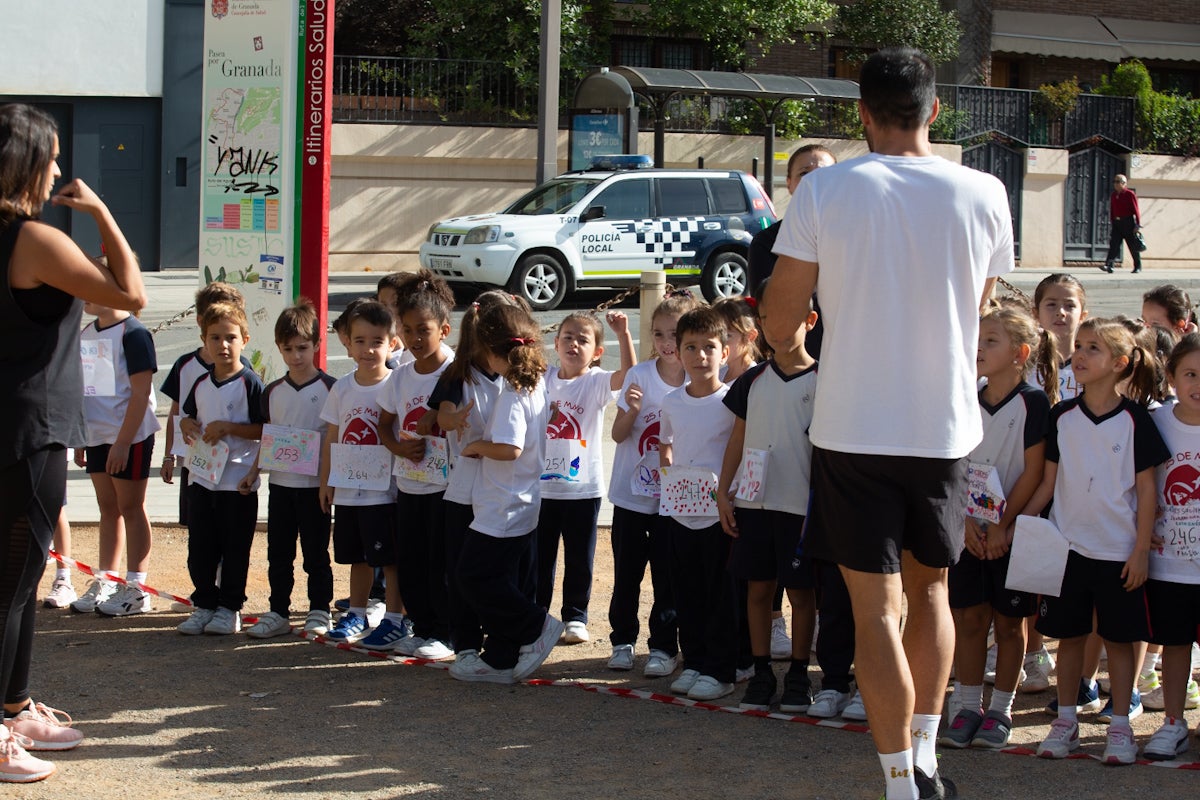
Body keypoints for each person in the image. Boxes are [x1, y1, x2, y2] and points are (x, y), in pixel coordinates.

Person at [766, 48, 1013, 800]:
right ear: (935, 110)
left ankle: (900, 780)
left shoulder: (826, 188)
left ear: (862, 115)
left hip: (850, 425)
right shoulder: (986, 191)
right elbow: (981, 304)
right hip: (941, 425)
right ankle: (928, 753)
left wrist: (791, 345)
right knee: (932, 593)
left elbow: (782, 309)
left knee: (876, 610)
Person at [0, 101, 145, 780]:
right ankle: (1, 728)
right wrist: (99, 212)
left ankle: (16, 704)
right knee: (12, 583)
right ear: (27, 161)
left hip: (17, 425)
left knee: (21, 581)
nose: (60, 166)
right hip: (29, 431)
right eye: (52, 155)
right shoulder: (33, 238)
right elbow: (130, 293)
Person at [1022, 318, 1168, 764]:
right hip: (1068, 551)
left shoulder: (1136, 420)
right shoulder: (1061, 415)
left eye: (1093, 349)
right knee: (1069, 639)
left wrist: (1140, 550)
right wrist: (1021, 524)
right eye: (1079, 347)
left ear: (1120, 364)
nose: (1079, 355)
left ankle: (1120, 726)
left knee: (1120, 643)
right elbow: (1048, 483)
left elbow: (1147, 492)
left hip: (1120, 555)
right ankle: (1065, 720)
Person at [939, 305, 1048, 750]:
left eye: (991, 341)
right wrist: (966, 522)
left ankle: (1000, 710)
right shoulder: (965, 396)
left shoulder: (1034, 403)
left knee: (1009, 625)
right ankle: (966, 706)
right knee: (968, 619)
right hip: (968, 530)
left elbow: (1034, 472)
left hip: (1011, 533)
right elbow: (955, 464)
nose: (979, 349)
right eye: (977, 339)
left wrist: (1005, 527)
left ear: (1020, 353)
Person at [716, 280, 818, 713]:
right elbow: (737, 439)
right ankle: (761, 671)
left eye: (787, 316)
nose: (775, 327)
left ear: (810, 321)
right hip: (754, 504)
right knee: (759, 590)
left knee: (801, 594)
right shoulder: (753, 380)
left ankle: (798, 673)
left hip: (800, 509)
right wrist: (725, 491)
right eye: (766, 319)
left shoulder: (825, 380)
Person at [450, 304, 563, 683]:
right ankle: (500, 655)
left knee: (474, 576)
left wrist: (477, 445)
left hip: (504, 504)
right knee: (497, 577)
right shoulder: (533, 383)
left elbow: (510, 448)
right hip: (516, 500)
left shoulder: (515, 392)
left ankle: (536, 627)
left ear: (495, 351)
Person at [605, 291, 700, 676]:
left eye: (675, 334)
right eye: (659, 334)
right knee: (627, 572)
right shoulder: (639, 375)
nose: (666, 343)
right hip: (631, 497)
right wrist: (632, 410)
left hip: (672, 502)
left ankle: (663, 646)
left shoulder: (699, 380)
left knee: (667, 574)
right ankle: (622, 641)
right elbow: (617, 434)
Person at [432, 290, 527, 664]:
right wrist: (452, 420)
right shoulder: (459, 375)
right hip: (466, 489)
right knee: (461, 571)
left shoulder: (519, 375)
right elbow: (442, 415)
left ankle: (507, 639)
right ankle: (467, 643)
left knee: (501, 570)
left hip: (505, 490)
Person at [537, 310, 634, 645]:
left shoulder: (594, 382)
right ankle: (537, 616)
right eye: (568, 337)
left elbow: (629, 376)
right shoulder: (544, 378)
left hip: (582, 489)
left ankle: (575, 616)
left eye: (583, 340)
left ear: (596, 352)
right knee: (539, 557)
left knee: (580, 557)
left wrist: (622, 333)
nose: (574, 344)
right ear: (555, 343)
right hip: (542, 488)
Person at [657, 306, 739, 701]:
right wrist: (669, 480)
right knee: (685, 590)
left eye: (710, 347)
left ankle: (721, 669)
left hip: (719, 517)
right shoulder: (671, 402)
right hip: (680, 514)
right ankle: (695, 662)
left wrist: (728, 495)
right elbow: (666, 444)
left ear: (725, 352)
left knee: (719, 593)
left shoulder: (732, 400)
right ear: (677, 350)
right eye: (691, 346)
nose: (700, 355)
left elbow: (737, 452)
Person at [241, 300, 336, 639]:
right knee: (278, 552)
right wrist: (254, 472)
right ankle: (278, 610)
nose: (296, 355)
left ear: (316, 345)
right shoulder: (272, 392)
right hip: (280, 485)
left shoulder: (330, 389)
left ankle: (319, 610)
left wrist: (329, 483)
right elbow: (268, 436)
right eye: (288, 348)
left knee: (315, 553)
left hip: (315, 488)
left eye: (303, 348)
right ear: (279, 348)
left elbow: (333, 440)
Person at [378, 275, 457, 659]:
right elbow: (384, 424)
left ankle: (446, 632)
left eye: (423, 330)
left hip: (448, 489)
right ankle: (421, 626)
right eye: (406, 330)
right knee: (411, 560)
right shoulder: (401, 376)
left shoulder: (458, 373)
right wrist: (399, 448)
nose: (414, 338)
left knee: (440, 561)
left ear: (444, 329)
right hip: (409, 485)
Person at [176, 303, 265, 635]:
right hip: (201, 478)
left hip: (237, 482)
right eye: (215, 338)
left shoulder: (251, 383)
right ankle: (204, 605)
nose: (223, 345)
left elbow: (264, 429)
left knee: (234, 548)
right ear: (205, 340)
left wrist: (229, 427)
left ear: (244, 339)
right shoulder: (200, 382)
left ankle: (229, 609)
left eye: (230, 337)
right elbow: (187, 416)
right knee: (200, 547)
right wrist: (186, 424)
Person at [74, 287, 161, 617]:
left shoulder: (135, 334)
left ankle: (137, 588)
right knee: (108, 507)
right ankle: (106, 579)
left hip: (130, 435)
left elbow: (140, 395)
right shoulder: (87, 332)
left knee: (130, 505)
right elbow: (90, 388)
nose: (82, 291)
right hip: (97, 436)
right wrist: (82, 436)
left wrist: (124, 442)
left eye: (91, 285)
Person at [318, 301, 399, 642]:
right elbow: (333, 437)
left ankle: (395, 619)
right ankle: (356, 614)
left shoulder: (398, 384)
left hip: (387, 492)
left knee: (391, 558)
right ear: (347, 344)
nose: (369, 349)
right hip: (349, 491)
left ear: (392, 343)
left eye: (377, 341)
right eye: (361, 341)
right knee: (358, 557)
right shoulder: (342, 388)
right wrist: (325, 482)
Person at [1144, 333, 1200, 760]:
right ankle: (1174, 723)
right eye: (1191, 374)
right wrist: (1141, 528)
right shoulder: (1157, 422)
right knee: (1175, 647)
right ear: (1172, 377)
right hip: (1169, 565)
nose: (1198, 383)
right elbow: (1134, 485)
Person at [158, 282, 248, 530]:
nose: (222, 342)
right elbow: (176, 412)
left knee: (230, 530)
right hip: (194, 460)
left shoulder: (246, 371)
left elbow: (258, 423)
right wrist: (168, 456)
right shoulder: (185, 364)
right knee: (198, 529)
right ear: (201, 322)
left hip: (233, 466)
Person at [746, 144, 835, 360]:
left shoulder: (857, 238)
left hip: (847, 362)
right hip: (795, 367)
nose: (814, 181)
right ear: (789, 184)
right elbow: (772, 312)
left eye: (824, 174)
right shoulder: (766, 243)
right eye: (804, 174)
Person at [1102, 174, 1142, 274]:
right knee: (1114, 244)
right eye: (1114, 182)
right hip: (1117, 223)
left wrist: (1137, 224)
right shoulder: (1114, 195)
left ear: (1124, 183)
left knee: (1132, 246)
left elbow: (1136, 210)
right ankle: (1109, 265)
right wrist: (1112, 221)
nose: (1115, 184)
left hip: (1128, 222)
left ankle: (1138, 266)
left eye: (1117, 182)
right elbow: (1112, 209)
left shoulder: (1129, 194)